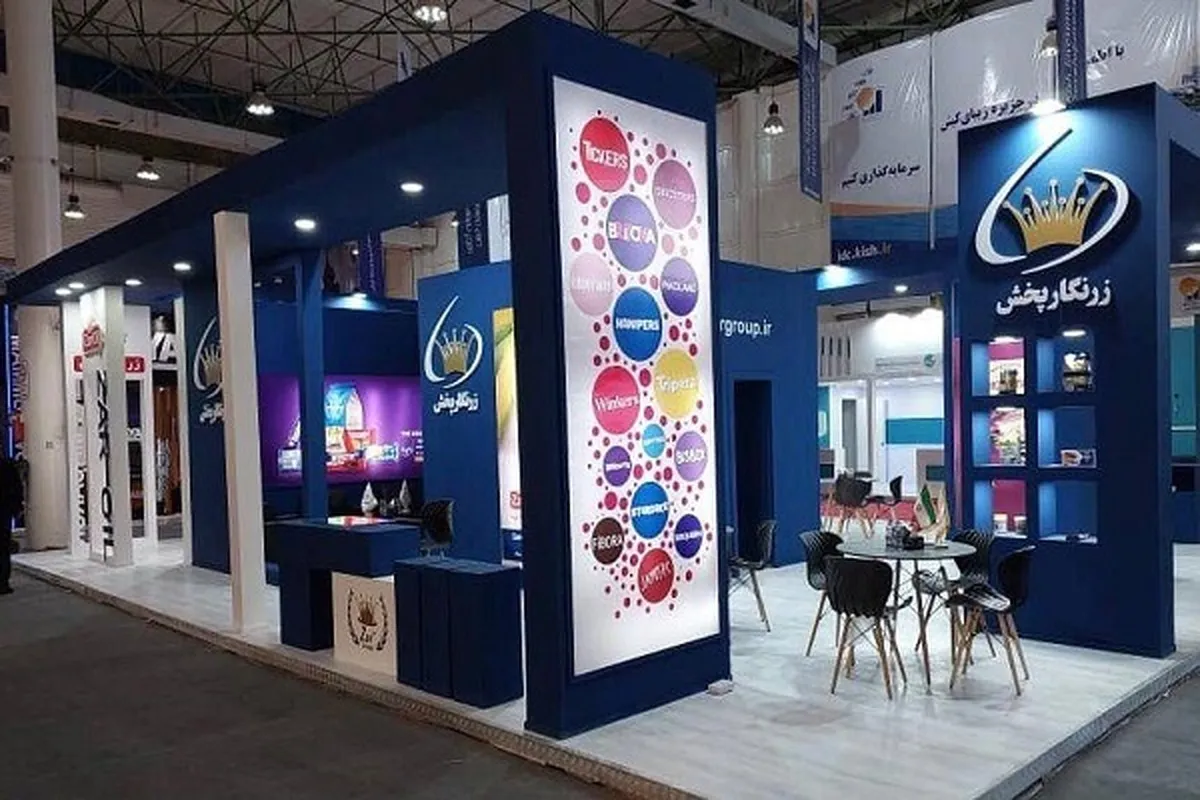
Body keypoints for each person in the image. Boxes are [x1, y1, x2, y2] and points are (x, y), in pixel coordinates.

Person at [0, 452, 24, 594]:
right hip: (4, 512)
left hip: (4, 510)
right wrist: (17, 508)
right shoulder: (7, 465)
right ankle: (3, 582)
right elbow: (16, 487)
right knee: (3, 547)